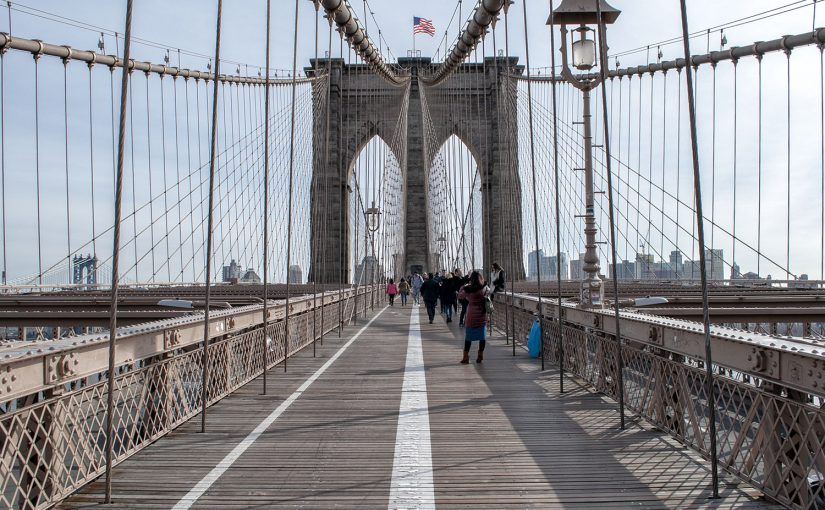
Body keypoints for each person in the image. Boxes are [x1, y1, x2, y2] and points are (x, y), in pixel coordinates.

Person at [458, 271, 490, 364]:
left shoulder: (468, 288)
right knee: (482, 337)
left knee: (468, 337)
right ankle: (480, 355)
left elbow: (460, 296)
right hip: (482, 313)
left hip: (471, 314)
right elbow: (489, 294)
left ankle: (465, 357)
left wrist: (462, 287)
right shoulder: (484, 287)